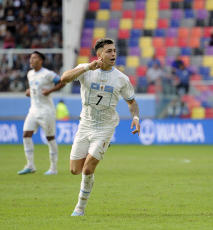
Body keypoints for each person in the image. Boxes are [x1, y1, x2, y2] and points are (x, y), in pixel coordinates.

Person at [61, 38, 140, 216]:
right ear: (99, 55)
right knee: (75, 170)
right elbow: (64, 78)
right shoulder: (85, 69)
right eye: (109, 51)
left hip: (105, 127)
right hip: (85, 125)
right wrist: (88, 67)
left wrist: (135, 117)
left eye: (114, 51)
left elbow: (132, 102)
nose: (113, 54)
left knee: (88, 168)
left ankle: (80, 207)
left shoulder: (121, 78)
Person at [18, 51, 66, 175]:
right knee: (26, 135)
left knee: (50, 138)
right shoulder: (30, 74)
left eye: (34, 58)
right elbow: (34, 89)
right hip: (33, 110)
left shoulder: (47, 74)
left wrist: (50, 90)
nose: (31, 60)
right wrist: (29, 92)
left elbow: (62, 81)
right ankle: (30, 165)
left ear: (41, 60)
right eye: (30, 58)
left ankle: (53, 168)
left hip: (47, 111)